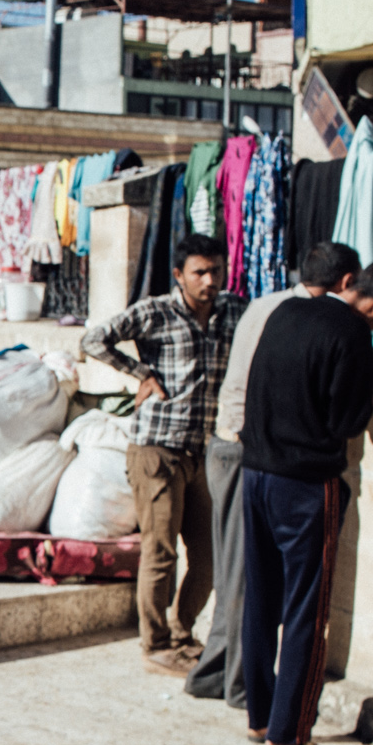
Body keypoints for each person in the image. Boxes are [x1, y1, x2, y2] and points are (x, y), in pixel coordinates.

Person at [239, 260, 373, 745]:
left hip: (257, 473)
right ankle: (288, 735)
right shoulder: (354, 333)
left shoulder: (287, 310)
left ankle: (260, 716)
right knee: (307, 612)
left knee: (262, 598)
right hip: (307, 482)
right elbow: (345, 419)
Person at [187, 242, 361, 708]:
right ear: (346, 282)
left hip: (228, 445)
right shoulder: (304, 316)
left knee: (235, 571)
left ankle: (214, 673)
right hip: (253, 453)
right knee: (250, 579)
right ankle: (243, 687)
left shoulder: (268, 305)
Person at [81, 233, 245, 677]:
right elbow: (94, 340)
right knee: (161, 552)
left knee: (210, 553)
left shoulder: (233, 312)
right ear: (180, 275)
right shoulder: (156, 311)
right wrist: (141, 373)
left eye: (216, 270)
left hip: (203, 449)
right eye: (200, 272)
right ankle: (154, 644)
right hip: (157, 449)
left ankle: (182, 632)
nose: (210, 280)